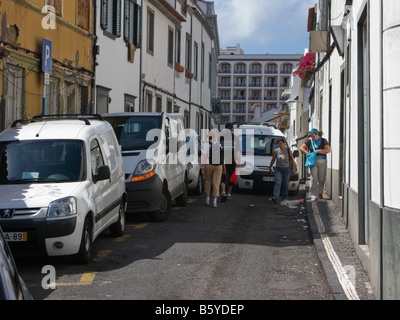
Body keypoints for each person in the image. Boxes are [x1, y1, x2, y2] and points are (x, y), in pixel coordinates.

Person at [299, 129, 330, 202]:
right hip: (313, 161)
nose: (312, 137)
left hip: (322, 160)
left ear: (317, 134)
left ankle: (320, 192)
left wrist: (318, 151)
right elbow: (301, 148)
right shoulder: (309, 141)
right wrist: (307, 153)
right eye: (311, 136)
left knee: (322, 179)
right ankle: (314, 195)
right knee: (313, 178)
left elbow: (327, 150)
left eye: (313, 136)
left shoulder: (323, 141)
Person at [201, 130, 225, 208]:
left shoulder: (206, 144)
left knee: (207, 181)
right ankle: (214, 201)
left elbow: (204, 156)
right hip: (218, 166)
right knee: (216, 182)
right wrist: (224, 167)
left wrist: (202, 167)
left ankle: (207, 199)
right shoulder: (219, 145)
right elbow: (222, 157)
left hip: (208, 164)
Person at [269, 138, 296, 205]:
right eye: (278, 144)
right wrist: (270, 167)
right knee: (278, 182)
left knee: (285, 184)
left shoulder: (288, 150)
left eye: (281, 143)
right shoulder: (276, 151)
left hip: (286, 170)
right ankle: (275, 197)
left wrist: (293, 168)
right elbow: (273, 160)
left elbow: (292, 159)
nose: (279, 145)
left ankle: (285, 198)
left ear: (284, 143)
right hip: (278, 169)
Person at [220, 123, 241, 201]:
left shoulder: (221, 137)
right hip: (232, 160)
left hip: (222, 160)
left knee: (223, 176)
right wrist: (239, 162)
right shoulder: (235, 138)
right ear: (232, 129)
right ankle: (228, 194)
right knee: (231, 177)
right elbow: (238, 151)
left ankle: (223, 192)